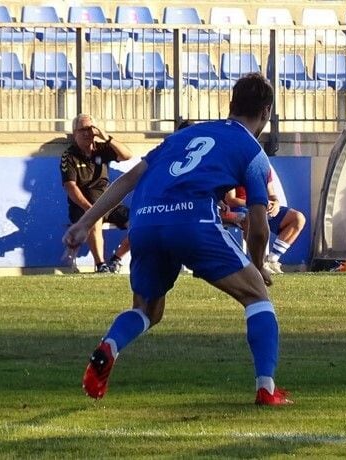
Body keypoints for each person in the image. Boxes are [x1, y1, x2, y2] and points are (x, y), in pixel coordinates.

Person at [63, 73, 292, 406]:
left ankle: (109, 346)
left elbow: (131, 177)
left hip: (145, 222)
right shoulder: (251, 150)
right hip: (192, 221)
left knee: (146, 311)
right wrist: (256, 268)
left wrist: (85, 222)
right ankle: (266, 388)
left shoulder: (185, 135)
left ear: (230, 105)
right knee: (257, 299)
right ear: (267, 112)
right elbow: (259, 227)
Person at [61, 114, 132, 273]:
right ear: (75, 133)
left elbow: (127, 155)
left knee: (140, 222)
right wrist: (92, 209)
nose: (87, 133)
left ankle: (116, 259)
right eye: (82, 130)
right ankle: (101, 265)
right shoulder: (70, 155)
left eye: (90, 129)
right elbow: (70, 187)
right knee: (95, 217)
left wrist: (106, 137)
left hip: (109, 202)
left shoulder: (102, 149)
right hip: (83, 206)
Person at [223, 173, 307, 274]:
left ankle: (272, 260)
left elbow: (272, 195)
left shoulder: (263, 167)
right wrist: (257, 202)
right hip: (242, 209)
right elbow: (231, 200)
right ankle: (260, 264)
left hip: (262, 206)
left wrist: (275, 203)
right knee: (252, 218)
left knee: (298, 218)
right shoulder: (234, 168)